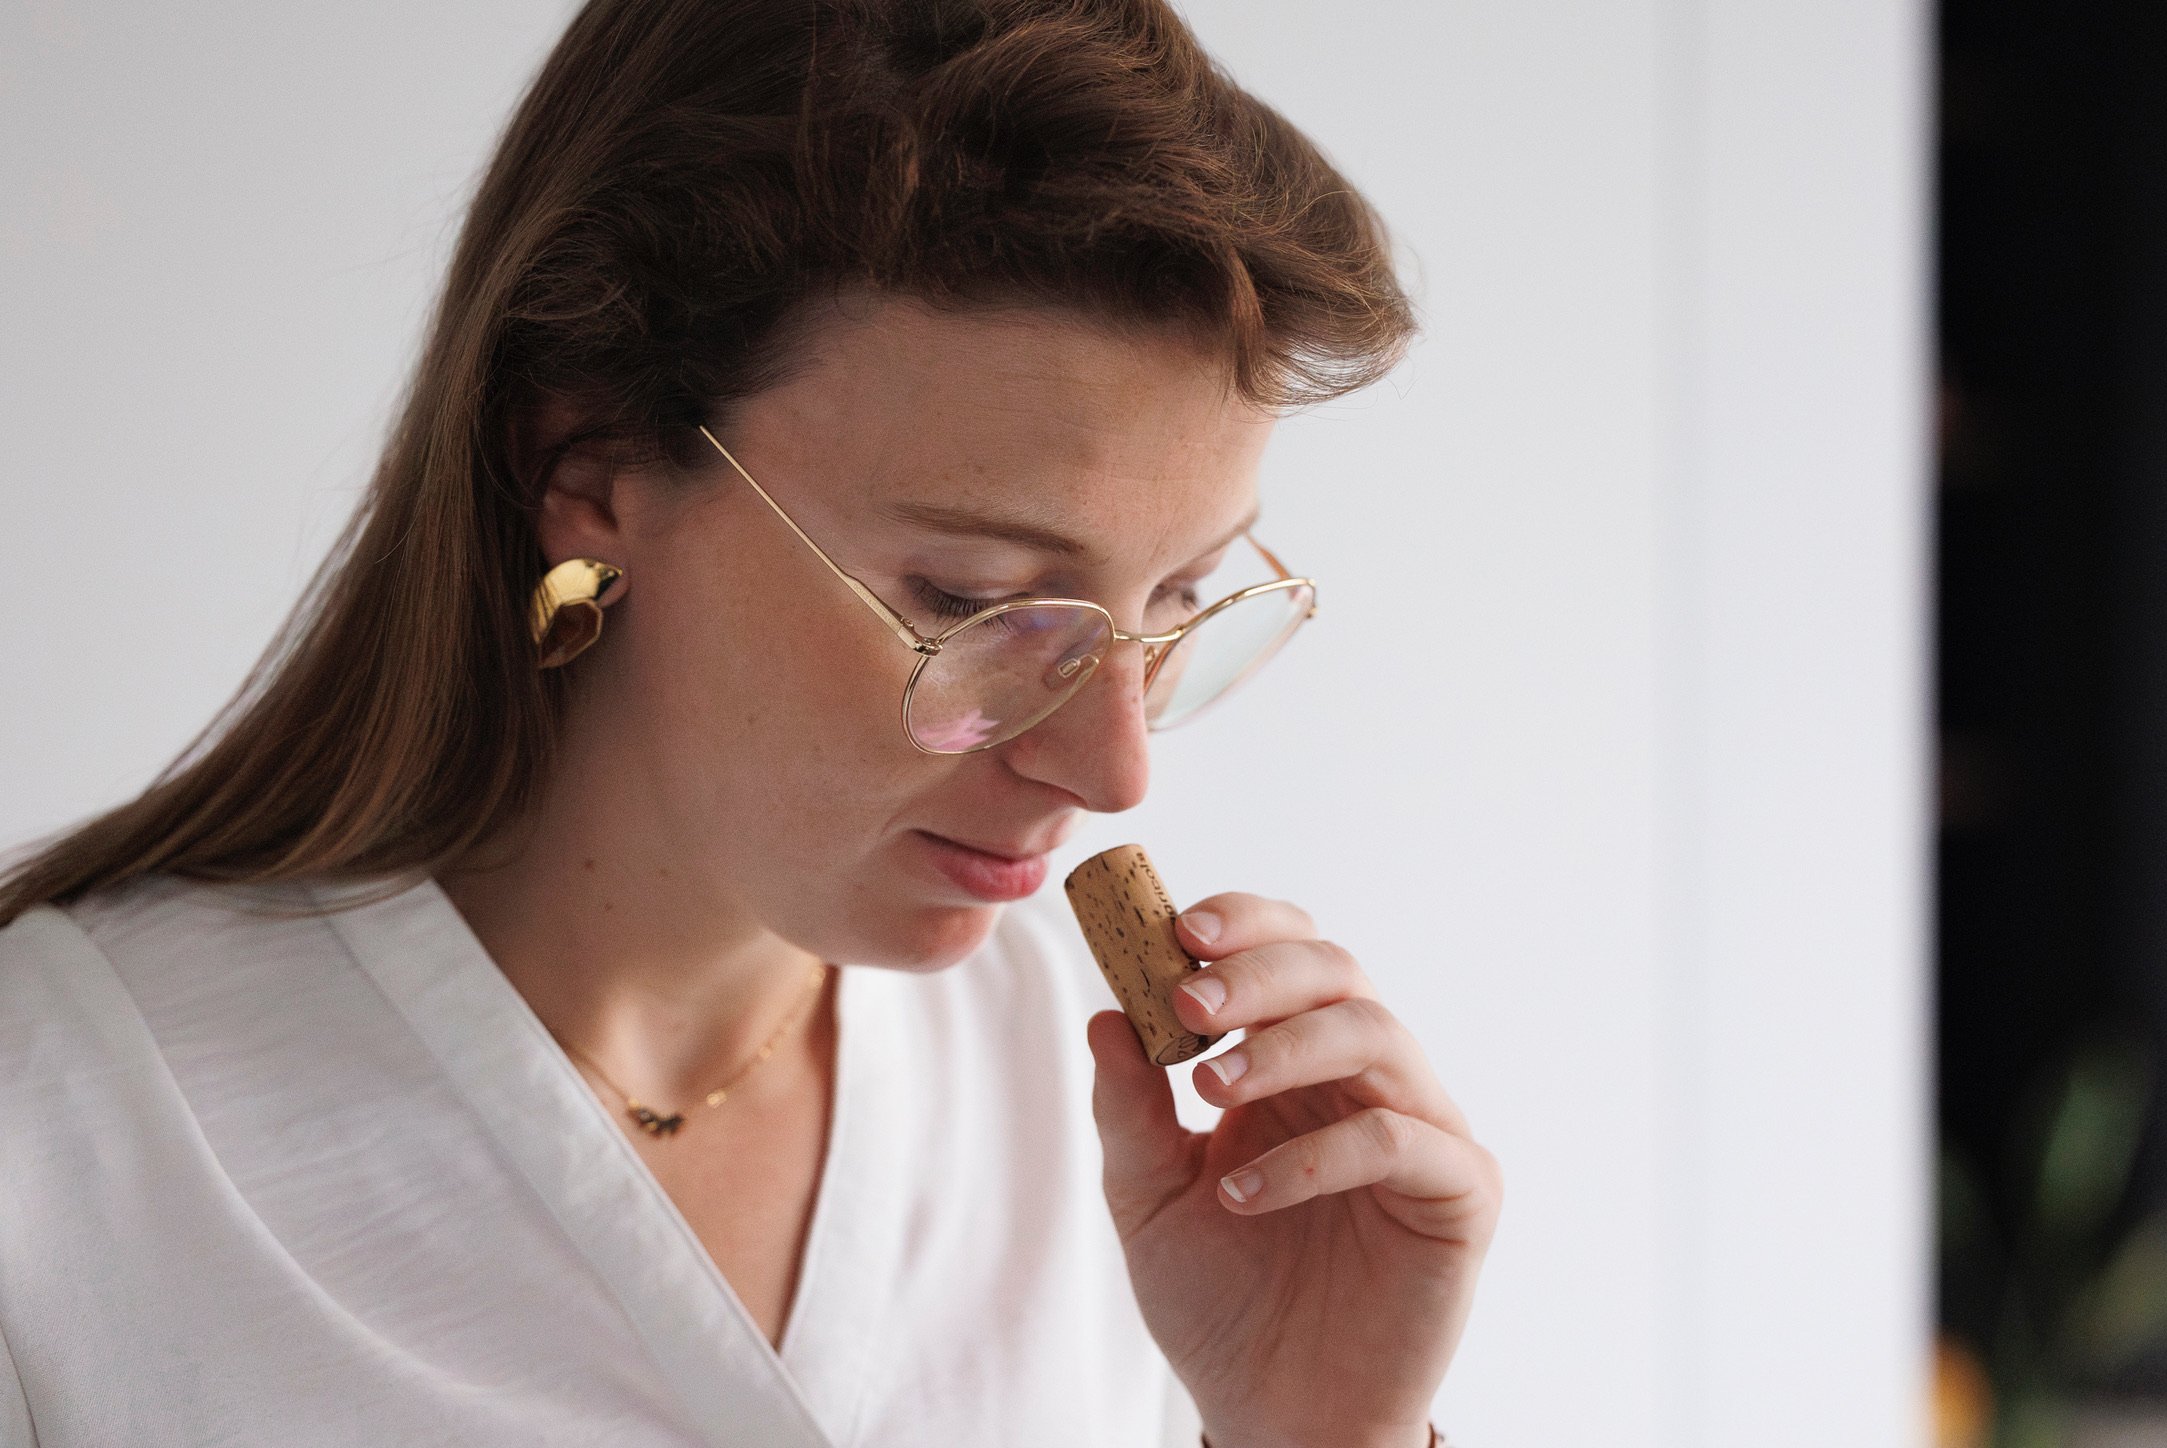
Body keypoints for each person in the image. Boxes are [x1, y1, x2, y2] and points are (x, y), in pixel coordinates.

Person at [0, 1, 1502, 1444]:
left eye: (1182, 598)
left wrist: (1316, 1436)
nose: (1115, 769)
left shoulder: (1098, 1108)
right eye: (977, 602)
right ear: (588, 471)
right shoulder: (64, 1142)